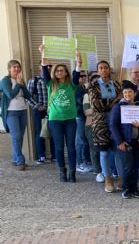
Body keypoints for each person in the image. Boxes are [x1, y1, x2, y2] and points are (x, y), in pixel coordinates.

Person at [39, 45, 83, 182]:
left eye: (61, 70)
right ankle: (62, 171)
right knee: (58, 146)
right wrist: (43, 53)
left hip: (70, 119)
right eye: (57, 70)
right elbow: (45, 68)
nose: (59, 72)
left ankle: (72, 172)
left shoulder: (72, 83)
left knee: (71, 146)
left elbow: (77, 69)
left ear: (65, 73)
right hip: (55, 120)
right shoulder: (50, 83)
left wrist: (78, 57)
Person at [89, 60, 123, 192]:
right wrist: (114, 100)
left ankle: (121, 178)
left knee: (117, 151)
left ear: (109, 70)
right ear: (98, 71)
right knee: (104, 152)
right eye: (101, 68)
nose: (103, 70)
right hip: (100, 123)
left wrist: (114, 102)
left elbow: (121, 102)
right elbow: (96, 106)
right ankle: (108, 180)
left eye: (105, 68)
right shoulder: (93, 86)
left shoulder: (116, 84)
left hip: (115, 121)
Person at [109, 81, 139, 199]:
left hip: (137, 141)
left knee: (135, 166)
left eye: (130, 92)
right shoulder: (118, 107)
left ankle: (134, 189)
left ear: (135, 93)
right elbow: (113, 125)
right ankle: (126, 189)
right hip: (125, 141)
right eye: (125, 92)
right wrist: (120, 142)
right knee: (128, 167)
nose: (127, 94)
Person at [1, 60, 36, 171]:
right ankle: (21, 161)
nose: (16, 69)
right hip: (11, 112)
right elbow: (10, 95)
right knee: (16, 136)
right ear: (9, 68)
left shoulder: (20, 80)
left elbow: (27, 95)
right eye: (14, 67)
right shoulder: (5, 80)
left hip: (22, 110)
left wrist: (22, 85)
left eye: (18, 67)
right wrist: (18, 85)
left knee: (19, 136)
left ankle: (15, 158)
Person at [26, 65, 51, 164]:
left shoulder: (53, 80)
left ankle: (54, 156)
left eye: (50, 66)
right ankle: (41, 156)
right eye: (45, 66)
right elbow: (27, 96)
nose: (48, 67)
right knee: (39, 132)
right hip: (39, 110)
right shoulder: (34, 80)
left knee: (53, 132)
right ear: (40, 67)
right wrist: (36, 106)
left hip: (52, 110)